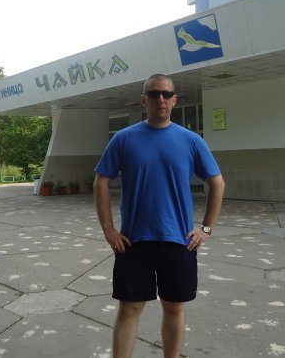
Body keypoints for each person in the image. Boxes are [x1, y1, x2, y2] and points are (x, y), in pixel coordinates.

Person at [93, 73, 225, 358]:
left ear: (175, 100)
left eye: (166, 94)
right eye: (154, 94)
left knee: (174, 306)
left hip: (178, 240)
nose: (161, 99)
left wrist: (206, 228)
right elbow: (101, 181)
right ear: (144, 100)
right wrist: (109, 230)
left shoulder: (191, 141)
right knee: (129, 308)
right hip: (133, 241)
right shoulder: (124, 139)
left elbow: (217, 182)